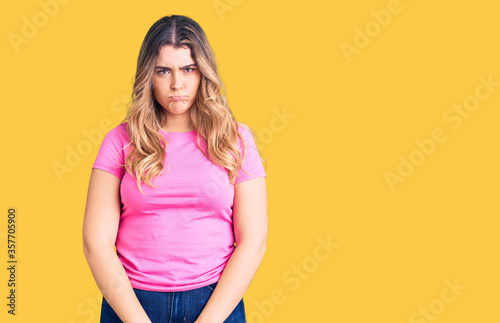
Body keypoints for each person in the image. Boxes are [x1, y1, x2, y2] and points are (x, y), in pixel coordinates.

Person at [82, 15, 268, 323]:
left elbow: (254, 240)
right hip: (132, 305)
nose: (176, 84)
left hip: (215, 303)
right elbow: (96, 243)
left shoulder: (235, 140)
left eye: (188, 69)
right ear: (148, 76)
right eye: (163, 70)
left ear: (203, 73)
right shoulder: (120, 141)